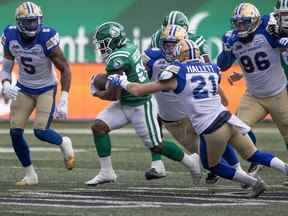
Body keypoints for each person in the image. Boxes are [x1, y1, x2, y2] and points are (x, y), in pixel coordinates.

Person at [108, 38, 288, 198]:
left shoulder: (178, 72)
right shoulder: (211, 68)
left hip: (212, 127)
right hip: (229, 119)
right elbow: (221, 93)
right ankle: (285, 169)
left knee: (212, 166)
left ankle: (254, 183)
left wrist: (122, 81)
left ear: (180, 54)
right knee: (254, 154)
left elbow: (139, 90)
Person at [85, 21, 200, 186]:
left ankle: (190, 162)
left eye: (103, 44)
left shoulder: (117, 59)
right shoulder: (128, 46)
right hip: (127, 101)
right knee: (99, 126)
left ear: (114, 41)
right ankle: (106, 172)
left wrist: (96, 93)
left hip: (141, 104)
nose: (101, 48)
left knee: (156, 145)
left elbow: (113, 95)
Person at [144, 24, 245, 184]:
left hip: (192, 112)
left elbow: (208, 78)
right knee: (205, 154)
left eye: (174, 44)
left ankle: (239, 171)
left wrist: (222, 98)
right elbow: (138, 75)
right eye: (167, 44)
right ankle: (233, 173)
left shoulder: (188, 63)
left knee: (216, 142)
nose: (170, 49)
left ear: (183, 44)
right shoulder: (152, 58)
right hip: (173, 118)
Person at [0, 1, 75, 186]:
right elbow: (7, 66)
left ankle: (63, 142)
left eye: (35, 21)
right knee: (15, 132)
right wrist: (6, 83)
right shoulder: (10, 35)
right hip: (24, 88)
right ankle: (30, 175)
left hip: (46, 88)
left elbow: (65, 68)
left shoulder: (46, 37)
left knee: (41, 131)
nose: (33, 25)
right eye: (29, 22)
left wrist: (64, 99)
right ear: (19, 22)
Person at [217, 2, 288, 185]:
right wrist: (226, 50)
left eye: (245, 23)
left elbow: (281, 39)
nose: (241, 27)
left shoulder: (267, 30)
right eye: (238, 23)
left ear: (255, 21)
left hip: (279, 92)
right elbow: (223, 65)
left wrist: (281, 38)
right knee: (236, 129)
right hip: (254, 96)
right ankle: (256, 161)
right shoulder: (232, 39)